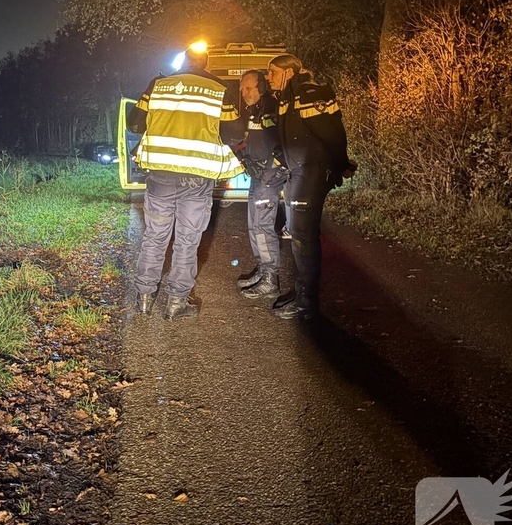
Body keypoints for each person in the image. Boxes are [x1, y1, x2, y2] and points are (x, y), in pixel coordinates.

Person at [129, 41, 242, 320]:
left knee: (154, 236)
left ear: (182, 63)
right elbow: (235, 134)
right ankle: (177, 302)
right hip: (196, 176)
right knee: (187, 241)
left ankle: (144, 297)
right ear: (206, 64)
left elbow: (134, 125)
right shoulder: (218, 89)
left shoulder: (158, 84)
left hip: (160, 175)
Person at [265, 55, 355, 319]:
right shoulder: (286, 97)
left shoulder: (310, 92)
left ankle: (307, 302)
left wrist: (340, 164)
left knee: (303, 236)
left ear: (288, 72)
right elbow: (286, 135)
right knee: (296, 233)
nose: (268, 77)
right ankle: (301, 291)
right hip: (297, 171)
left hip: (312, 171)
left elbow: (332, 133)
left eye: (272, 72)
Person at [224, 69, 286, 300]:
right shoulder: (255, 111)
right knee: (254, 226)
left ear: (261, 87)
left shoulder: (272, 108)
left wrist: (272, 167)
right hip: (258, 176)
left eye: (248, 88)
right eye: (241, 88)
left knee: (262, 227)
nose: (243, 92)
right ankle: (263, 271)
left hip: (268, 178)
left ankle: (271, 280)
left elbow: (281, 141)